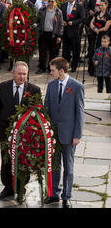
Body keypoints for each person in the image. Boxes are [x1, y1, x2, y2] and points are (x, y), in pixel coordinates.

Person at [0, 61, 41, 200]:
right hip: (5, 131)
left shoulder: (34, 89)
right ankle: (7, 187)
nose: (22, 77)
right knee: (6, 160)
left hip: (25, 134)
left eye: (24, 74)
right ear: (12, 73)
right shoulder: (2, 87)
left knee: (23, 160)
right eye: (19, 74)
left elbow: (38, 114)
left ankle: (21, 187)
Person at [44, 57, 84, 208]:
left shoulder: (77, 86)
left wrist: (77, 135)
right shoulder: (51, 85)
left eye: (52, 70)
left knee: (68, 166)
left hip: (69, 134)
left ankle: (67, 196)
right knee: (54, 166)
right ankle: (54, 194)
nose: (50, 72)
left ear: (61, 71)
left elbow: (80, 112)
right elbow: (46, 107)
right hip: (54, 134)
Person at [36, 0, 64, 74]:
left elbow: (61, 24)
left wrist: (59, 36)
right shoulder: (42, 10)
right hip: (43, 33)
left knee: (53, 53)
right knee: (42, 52)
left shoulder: (58, 11)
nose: (50, 3)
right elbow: (37, 20)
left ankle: (51, 69)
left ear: (55, 2)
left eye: (52, 1)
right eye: (49, 1)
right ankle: (42, 67)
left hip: (53, 34)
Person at [60, 0, 85, 73]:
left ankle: (74, 66)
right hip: (66, 32)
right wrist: (62, 21)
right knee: (65, 50)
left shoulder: (79, 6)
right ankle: (65, 66)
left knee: (75, 50)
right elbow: (60, 16)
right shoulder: (63, 5)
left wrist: (73, 22)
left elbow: (82, 18)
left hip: (75, 32)